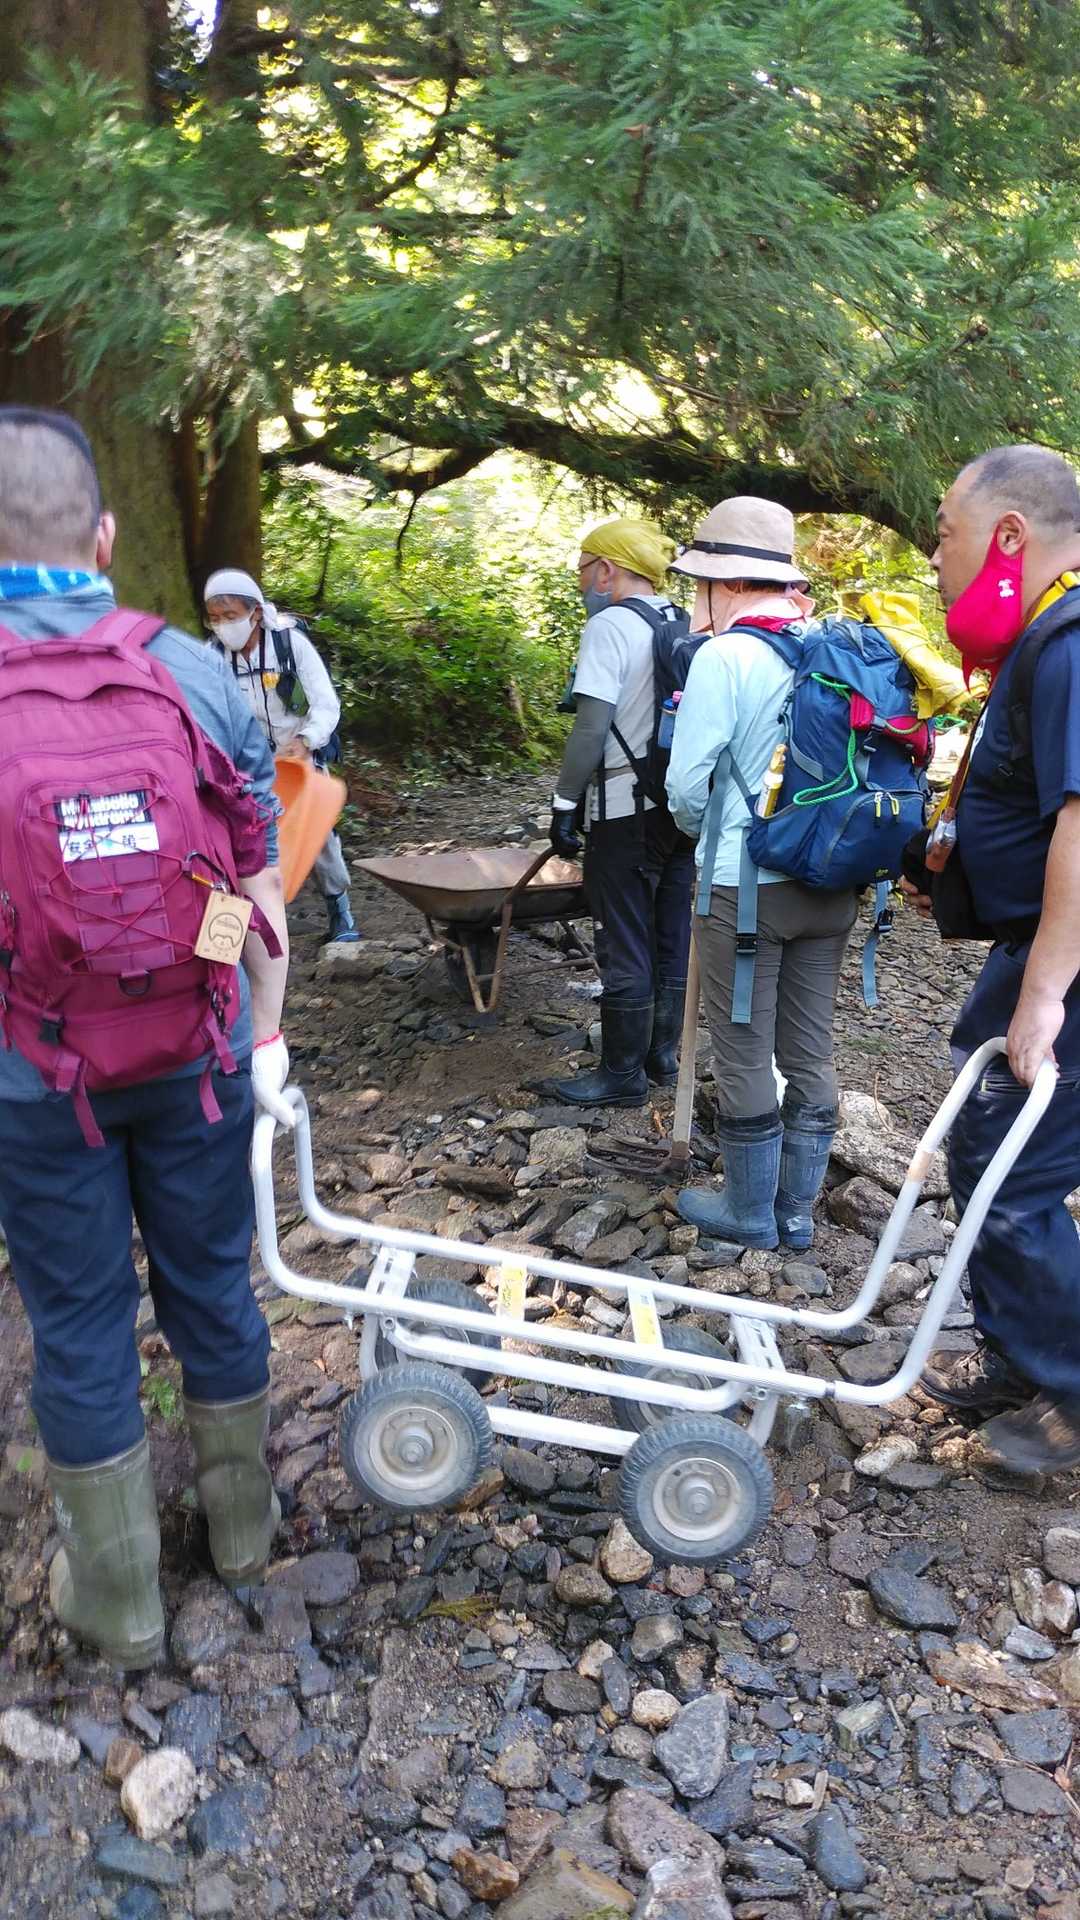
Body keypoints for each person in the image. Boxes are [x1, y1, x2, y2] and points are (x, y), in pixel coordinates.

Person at [0, 408, 291, 1668]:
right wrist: (248, 1029)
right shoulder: (191, 671)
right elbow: (248, 882)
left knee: (77, 1321)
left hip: (29, 1075)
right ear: (106, 538)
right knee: (213, 1283)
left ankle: (116, 1600)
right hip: (194, 1052)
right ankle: (244, 1533)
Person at [906, 445, 1080, 1474]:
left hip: (1068, 969)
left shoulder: (1072, 644)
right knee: (984, 1147)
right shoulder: (1040, 639)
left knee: (1017, 1173)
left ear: (1008, 535)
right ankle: (1024, 1352)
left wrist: (1046, 994)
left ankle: (1072, 1391)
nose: (936, 560)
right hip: (1036, 952)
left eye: (945, 535)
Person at [665, 497, 858, 1250]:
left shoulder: (725, 657)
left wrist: (707, 839)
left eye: (702, 582)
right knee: (809, 1048)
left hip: (744, 891)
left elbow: (687, 788)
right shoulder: (833, 647)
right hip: (831, 883)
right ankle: (796, 1212)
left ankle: (749, 1213)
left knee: (743, 1046)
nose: (698, 596)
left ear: (732, 583)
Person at [544, 518, 694, 1104]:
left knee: (624, 933)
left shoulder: (609, 625)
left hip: (623, 807)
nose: (582, 583)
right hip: (678, 806)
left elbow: (591, 727)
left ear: (606, 569)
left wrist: (565, 802)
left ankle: (621, 1075)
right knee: (670, 928)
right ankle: (661, 1056)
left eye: (583, 571)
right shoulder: (683, 621)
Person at [203, 568, 361, 944]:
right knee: (234, 841)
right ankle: (230, 936)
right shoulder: (211, 658)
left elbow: (325, 702)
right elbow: (205, 715)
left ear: (256, 613)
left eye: (231, 616)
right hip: (245, 766)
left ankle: (339, 909)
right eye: (215, 618)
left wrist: (307, 740)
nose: (223, 625)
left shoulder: (289, 645)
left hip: (298, 758)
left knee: (316, 834)